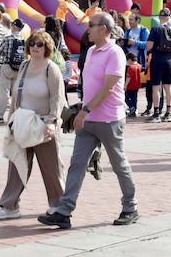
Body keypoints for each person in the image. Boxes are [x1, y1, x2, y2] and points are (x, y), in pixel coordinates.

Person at [38, 12, 138, 230]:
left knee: (119, 164)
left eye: (91, 25)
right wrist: (82, 109)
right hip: (88, 119)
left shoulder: (115, 53)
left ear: (104, 28)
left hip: (109, 119)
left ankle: (131, 207)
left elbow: (109, 86)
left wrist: (86, 110)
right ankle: (64, 211)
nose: (88, 29)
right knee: (77, 165)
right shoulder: (92, 51)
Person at [0, 30, 68, 219]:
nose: (35, 47)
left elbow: (57, 99)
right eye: (32, 43)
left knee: (51, 168)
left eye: (39, 44)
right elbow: (17, 96)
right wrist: (11, 120)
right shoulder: (24, 66)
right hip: (22, 124)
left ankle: (58, 205)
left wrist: (52, 122)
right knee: (17, 164)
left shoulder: (52, 69)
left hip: (43, 125)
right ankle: (10, 206)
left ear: (47, 47)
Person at [147, 9, 171, 121]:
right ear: (168, 17)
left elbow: (149, 46)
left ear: (159, 17)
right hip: (168, 60)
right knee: (168, 87)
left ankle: (156, 113)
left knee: (156, 87)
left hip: (156, 60)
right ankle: (168, 112)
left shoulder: (155, 29)